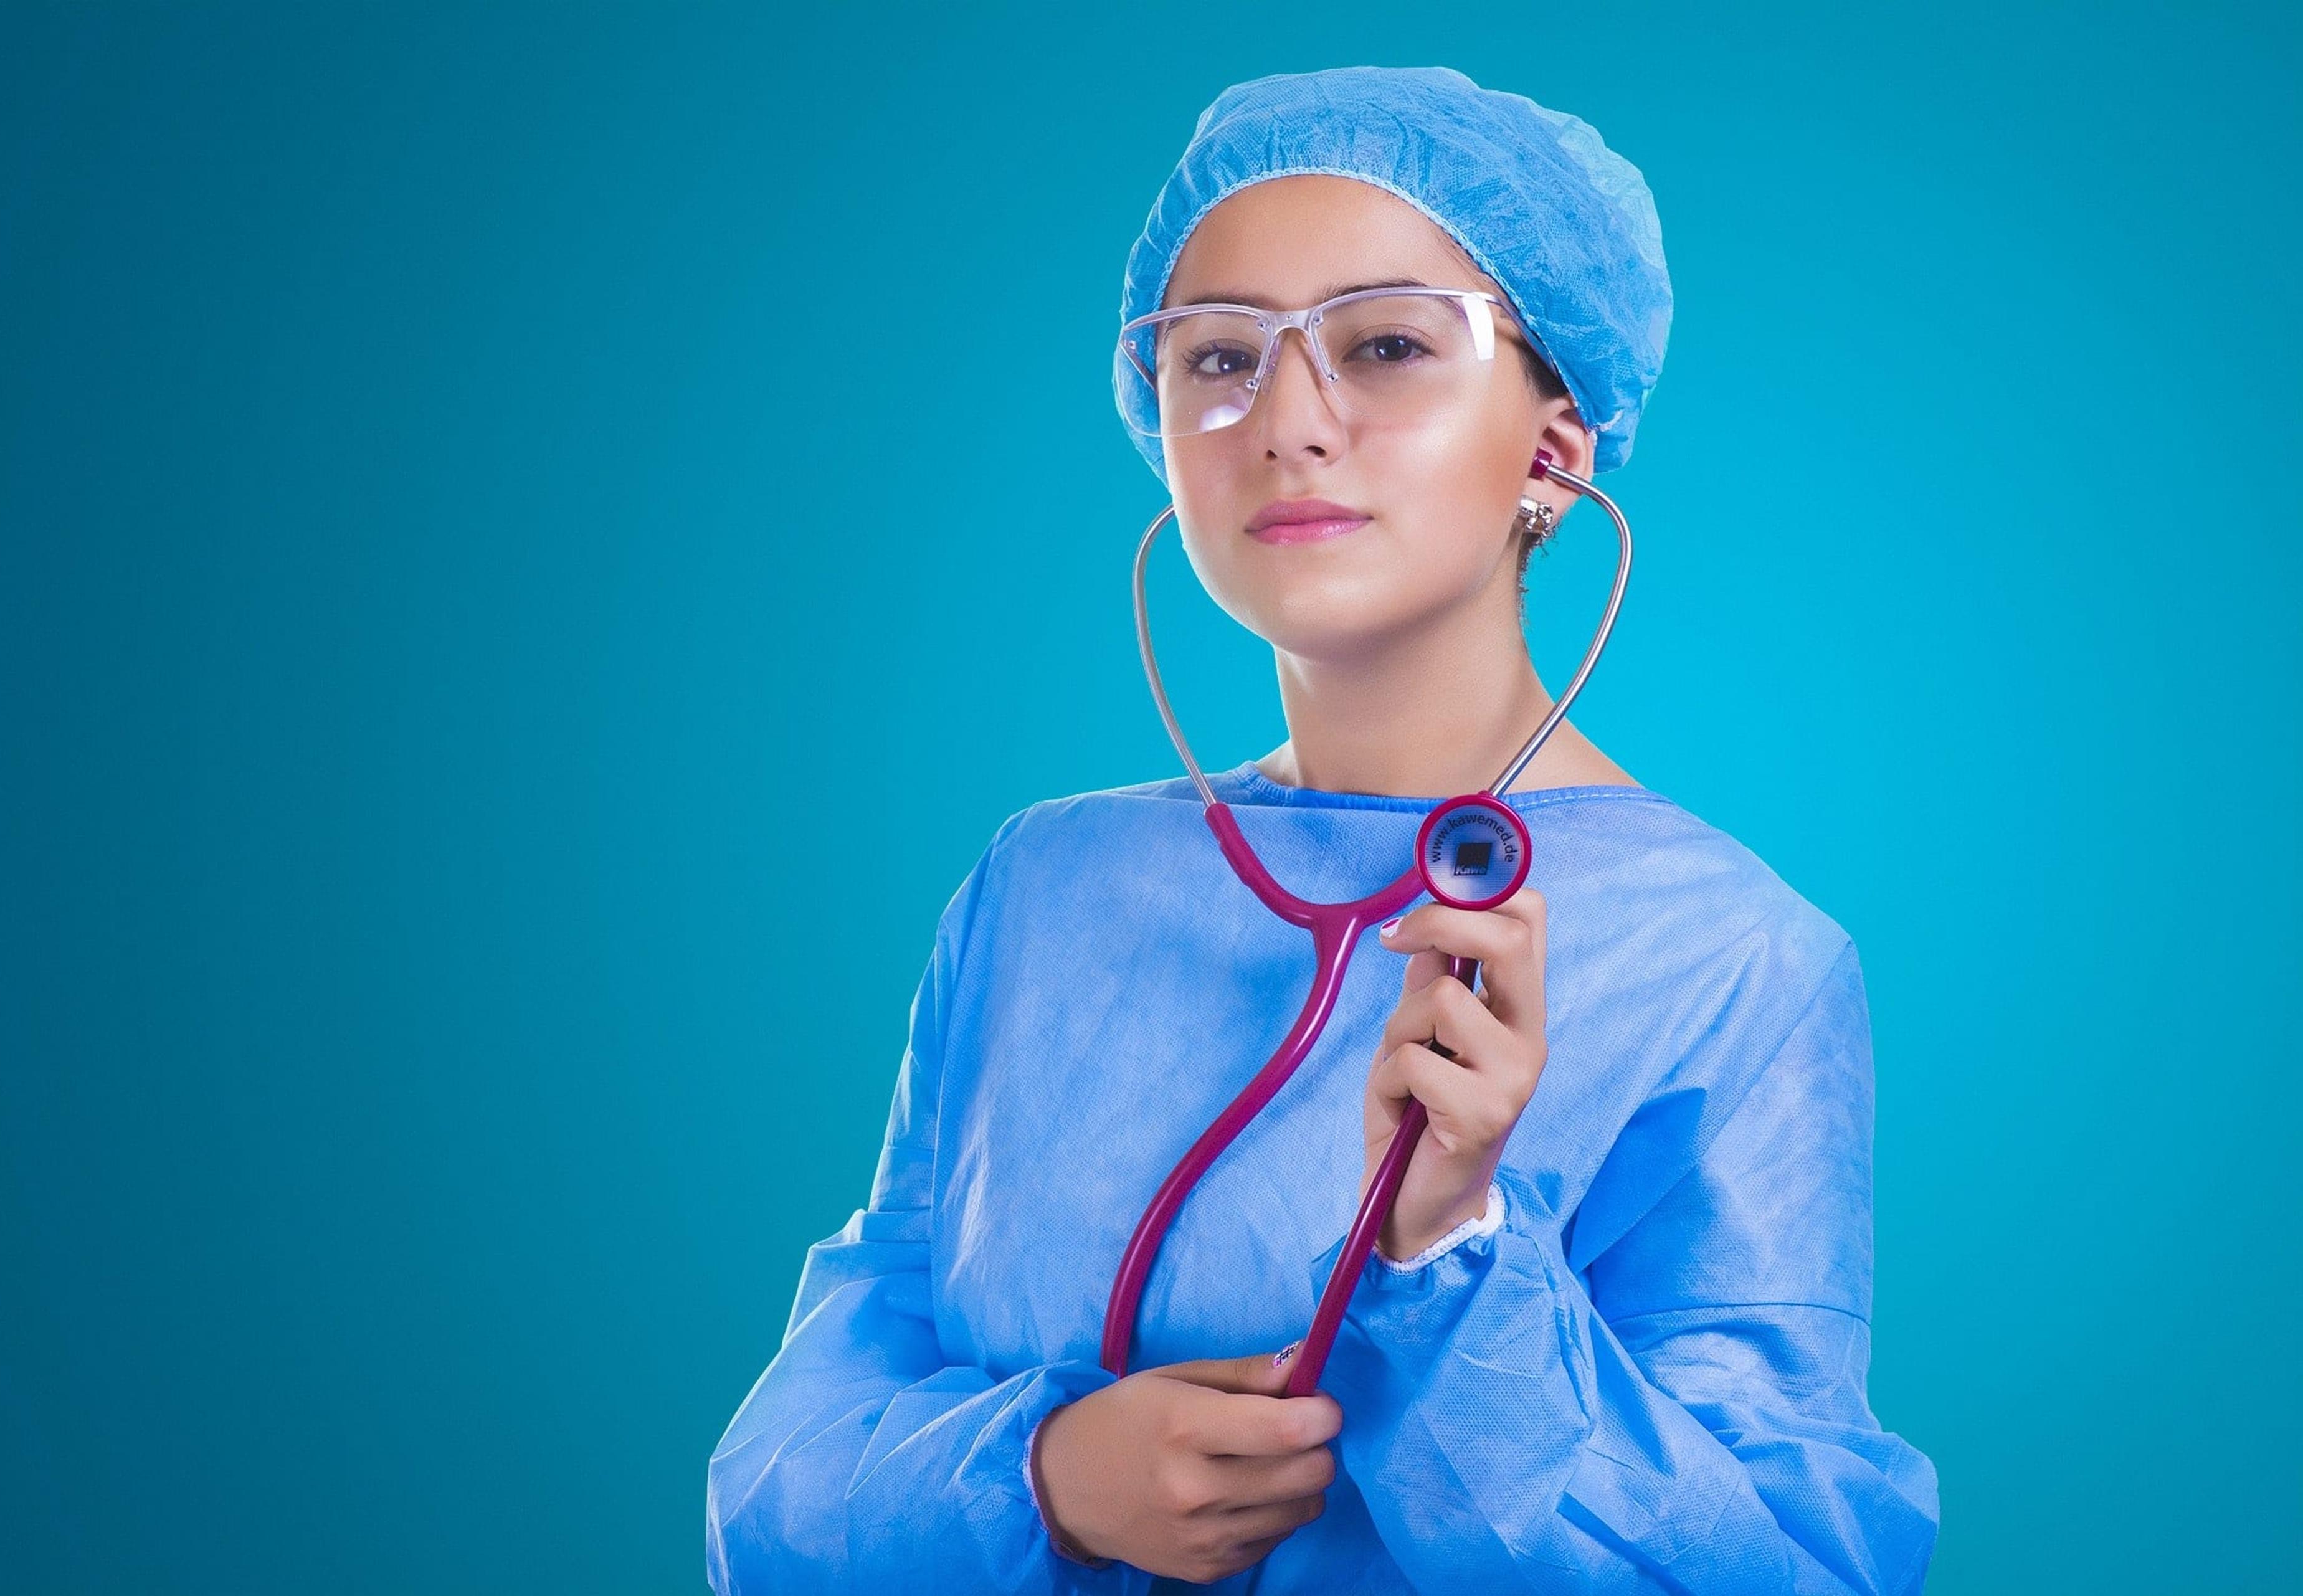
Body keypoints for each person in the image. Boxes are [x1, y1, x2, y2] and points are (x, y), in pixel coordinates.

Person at [705, 65, 1939, 1594]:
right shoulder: (1042, 886)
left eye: (1388, 346)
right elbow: (779, 1480)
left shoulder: (1739, 958)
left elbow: (1787, 1570)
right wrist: (1041, 1481)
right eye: (1219, 355)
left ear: (1555, 443)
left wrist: (1448, 1254)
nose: (1287, 421)